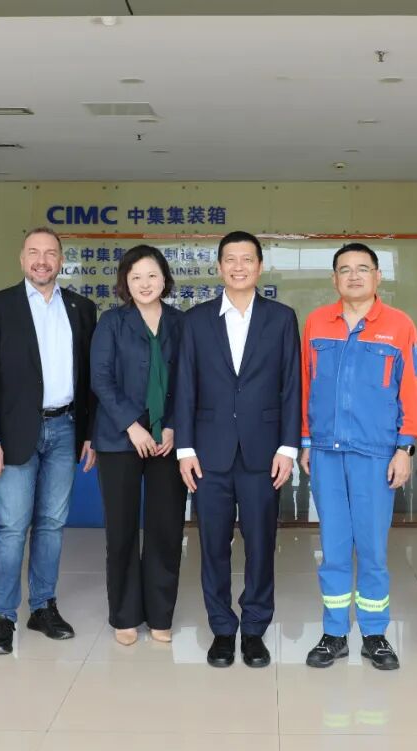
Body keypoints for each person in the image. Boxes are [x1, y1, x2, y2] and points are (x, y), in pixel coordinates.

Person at [0, 227, 97, 656]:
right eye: (34, 252)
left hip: (65, 428)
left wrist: (90, 433)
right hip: (11, 434)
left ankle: (42, 606)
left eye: (50, 253)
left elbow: (90, 377)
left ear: (61, 260)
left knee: (52, 524)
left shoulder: (81, 308)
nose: (42, 260)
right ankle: (2, 616)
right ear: (22, 259)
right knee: (10, 527)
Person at [175, 231, 301, 668]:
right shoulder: (196, 320)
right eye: (231, 259)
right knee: (213, 545)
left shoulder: (281, 318)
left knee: (261, 543)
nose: (239, 267)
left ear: (260, 266)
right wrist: (185, 449)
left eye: (247, 259)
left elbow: (291, 385)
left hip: (264, 453)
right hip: (208, 453)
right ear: (219, 267)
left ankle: (254, 629)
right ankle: (222, 629)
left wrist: (288, 446)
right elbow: (185, 386)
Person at [300, 243, 417, 671]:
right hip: (326, 451)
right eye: (345, 269)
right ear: (334, 278)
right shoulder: (317, 322)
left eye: (362, 268)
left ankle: (374, 634)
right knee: (333, 548)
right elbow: (305, 385)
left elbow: (411, 390)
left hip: (376, 454)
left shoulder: (399, 325)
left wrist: (405, 447)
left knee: (372, 549)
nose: (354, 276)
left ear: (377, 276)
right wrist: (305, 442)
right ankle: (334, 633)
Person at [90, 245, 186, 645]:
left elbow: (190, 380)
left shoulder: (182, 323)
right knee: (122, 530)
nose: (145, 284)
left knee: (166, 529)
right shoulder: (112, 322)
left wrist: (173, 426)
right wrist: (132, 426)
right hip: (119, 439)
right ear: (125, 283)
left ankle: (160, 614)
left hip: (168, 442)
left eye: (152, 276)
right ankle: (125, 615)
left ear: (165, 279)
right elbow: (101, 378)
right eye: (136, 277)